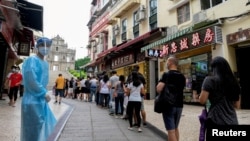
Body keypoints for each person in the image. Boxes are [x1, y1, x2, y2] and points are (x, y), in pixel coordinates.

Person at [21, 37, 57, 141]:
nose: (45, 48)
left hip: (41, 100)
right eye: (42, 45)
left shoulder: (45, 63)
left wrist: (43, 94)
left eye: (48, 46)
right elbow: (31, 79)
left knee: (41, 128)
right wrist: (43, 93)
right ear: (37, 46)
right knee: (31, 130)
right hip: (31, 100)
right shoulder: (32, 60)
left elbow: (43, 80)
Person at [199, 56, 240, 130]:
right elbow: (237, 105)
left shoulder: (209, 80)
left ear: (213, 68)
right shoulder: (234, 82)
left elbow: (202, 100)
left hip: (215, 120)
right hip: (233, 121)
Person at [156, 56, 186, 141]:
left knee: (171, 131)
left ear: (170, 63)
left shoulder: (166, 75)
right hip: (179, 105)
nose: (166, 63)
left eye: (167, 62)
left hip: (168, 105)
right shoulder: (182, 76)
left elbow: (159, 88)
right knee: (175, 128)